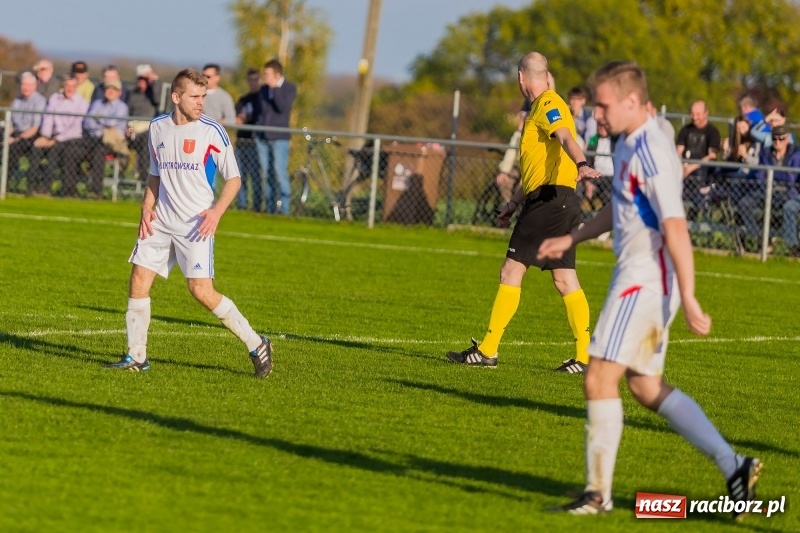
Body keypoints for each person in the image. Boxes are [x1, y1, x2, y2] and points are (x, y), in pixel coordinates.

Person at [537, 61, 762, 519]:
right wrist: (573, 237)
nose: (598, 114)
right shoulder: (627, 143)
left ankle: (597, 494)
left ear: (632, 102)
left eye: (604, 105)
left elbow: (675, 226)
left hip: (644, 281)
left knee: (598, 378)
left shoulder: (651, 150)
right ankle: (734, 465)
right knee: (644, 386)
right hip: (642, 278)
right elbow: (619, 206)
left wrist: (691, 295)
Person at [103, 68, 273, 378]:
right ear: (176, 97)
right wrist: (146, 205)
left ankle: (256, 342)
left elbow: (234, 179)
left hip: (196, 224)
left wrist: (216, 213)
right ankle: (136, 355)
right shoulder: (157, 127)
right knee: (139, 279)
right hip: (161, 220)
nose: (200, 102)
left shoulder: (211, 130)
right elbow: (155, 173)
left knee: (201, 291)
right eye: (194, 96)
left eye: (203, 96)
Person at [446, 52, 601, 374]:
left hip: (549, 201)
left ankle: (488, 351)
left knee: (511, 272)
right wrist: (514, 203)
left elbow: (565, 136)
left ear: (521, 77)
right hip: (556, 199)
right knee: (564, 278)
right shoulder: (543, 107)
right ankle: (585, 357)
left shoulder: (547, 103)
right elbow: (537, 167)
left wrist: (582, 164)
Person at [738, 125, 800, 248]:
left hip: (788, 192)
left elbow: (792, 178)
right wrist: (769, 180)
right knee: (744, 203)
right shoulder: (766, 153)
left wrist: (774, 175)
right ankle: (759, 237)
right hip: (767, 189)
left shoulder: (796, 154)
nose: (777, 142)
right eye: (774, 139)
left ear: (787, 139)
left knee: (789, 207)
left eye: (781, 138)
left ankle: (792, 246)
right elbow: (761, 174)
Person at [30, 75, 89, 195]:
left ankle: (46, 188)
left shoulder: (82, 103)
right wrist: (45, 136)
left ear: (76, 87)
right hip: (52, 137)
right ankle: (31, 186)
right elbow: (48, 118)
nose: (70, 88)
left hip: (71, 139)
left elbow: (75, 127)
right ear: (63, 86)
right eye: (67, 85)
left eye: (73, 86)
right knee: (36, 148)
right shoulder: (55, 98)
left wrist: (55, 139)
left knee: (54, 152)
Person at [256, 58, 297, 214]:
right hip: (263, 138)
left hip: (280, 138)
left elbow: (282, 107)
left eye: (267, 74)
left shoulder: (289, 88)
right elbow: (262, 112)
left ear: (277, 74)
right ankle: (270, 208)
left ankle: (285, 209)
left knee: (279, 173)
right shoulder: (263, 90)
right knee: (267, 174)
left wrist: (275, 88)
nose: (265, 77)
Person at [83, 79, 129, 197]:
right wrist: (102, 125)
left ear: (119, 92)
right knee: (72, 149)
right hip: (93, 138)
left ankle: (95, 192)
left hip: (111, 143)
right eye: (108, 88)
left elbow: (112, 122)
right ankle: (69, 190)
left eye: (114, 89)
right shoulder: (97, 103)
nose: (110, 91)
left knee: (98, 153)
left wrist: (97, 118)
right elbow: (87, 122)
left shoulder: (122, 107)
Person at [675, 100, 721, 219]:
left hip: (702, 171)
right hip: (684, 168)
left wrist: (692, 167)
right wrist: (681, 166)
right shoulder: (685, 130)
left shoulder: (712, 132)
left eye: (698, 114)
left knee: (701, 173)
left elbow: (712, 156)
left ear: (706, 113)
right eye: (692, 114)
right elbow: (678, 151)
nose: (694, 117)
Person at [5, 72, 47, 184]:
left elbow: (35, 128)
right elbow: (12, 124)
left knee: (13, 149)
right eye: (23, 84)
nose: (25, 87)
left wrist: (16, 139)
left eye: (28, 85)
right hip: (16, 132)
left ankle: (5, 182)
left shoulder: (40, 101)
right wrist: (6, 136)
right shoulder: (17, 100)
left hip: (31, 135)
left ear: (34, 86)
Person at [235, 68, 264, 211]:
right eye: (250, 80)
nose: (253, 82)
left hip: (255, 143)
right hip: (241, 142)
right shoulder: (243, 100)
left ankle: (257, 206)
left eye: (255, 79)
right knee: (239, 176)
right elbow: (237, 119)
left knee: (255, 176)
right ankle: (242, 205)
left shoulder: (263, 100)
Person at [126, 66, 161, 181]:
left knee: (146, 141)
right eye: (140, 79)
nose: (142, 81)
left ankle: (143, 175)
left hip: (148, 132)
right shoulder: (132, 94)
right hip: (133, 131)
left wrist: (154, 79)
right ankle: (137, 175)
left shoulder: (153, 94)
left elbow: (157, 99)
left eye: (145, 79)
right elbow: (127, 112)